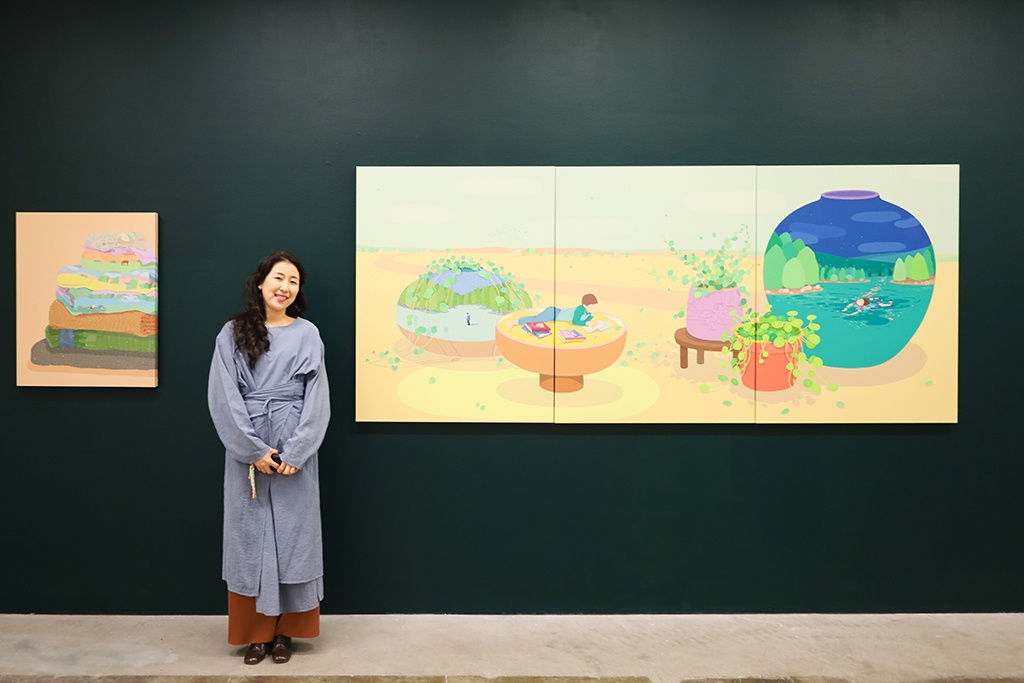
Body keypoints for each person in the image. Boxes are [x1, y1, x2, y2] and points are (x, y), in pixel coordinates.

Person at [208, 251, 331, 665]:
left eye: (294, 281)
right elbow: (224, 396)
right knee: (249, 537)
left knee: (296, 537)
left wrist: (297, 450)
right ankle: (255, 633)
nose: (286, 287)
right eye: (279, 278)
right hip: (249, 448)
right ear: (260, 283)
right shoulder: (232, 333)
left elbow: (318, 398)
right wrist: (253, 450)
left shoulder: (309, 334)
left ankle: (288, 632)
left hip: (296, 444)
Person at [518, 293, 598, 327]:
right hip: (553, 313)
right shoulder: (580, 309)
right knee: (536, 319)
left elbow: (583, 320)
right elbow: (575, 321)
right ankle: (515, 321)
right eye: (592, 308)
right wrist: (587, 323)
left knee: (536, 318)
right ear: (584, 305)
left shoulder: (588, 312)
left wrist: (590, 318)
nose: (594, 310)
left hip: (556, 314)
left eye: (595, 307)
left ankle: (517, 320)